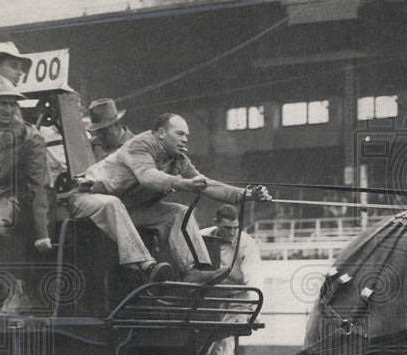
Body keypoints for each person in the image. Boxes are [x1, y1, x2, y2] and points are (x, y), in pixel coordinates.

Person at [66, 112, 271, 284]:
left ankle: (196, 270)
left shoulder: (178, 159)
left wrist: (246, 194)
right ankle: (147, 266)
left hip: (126, 208)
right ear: (161, 133)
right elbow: (148, 177)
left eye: (187, 135)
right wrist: (181, 183)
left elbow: (207, 184)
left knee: (179, 212)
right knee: (112, 203)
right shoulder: (140, 145)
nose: (185, 139)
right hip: (86, 197)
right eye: (180, 133)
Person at [0, 77, 52, 315]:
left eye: (12, 104)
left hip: (15, 198)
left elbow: (39, 186)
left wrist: (42, 233)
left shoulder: (29, 137)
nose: (8, 109)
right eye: (2, 104)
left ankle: (3, 292)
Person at [196, 205, 264, 355]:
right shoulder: (201, 237)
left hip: (239, 296)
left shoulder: (246, 243)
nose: (232, 232)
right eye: (227, 228)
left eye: (236, 228)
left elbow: (254, 276)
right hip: (212, 296)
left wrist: (255, 310)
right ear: (215, 223)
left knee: (225, 337)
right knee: (205, 338)